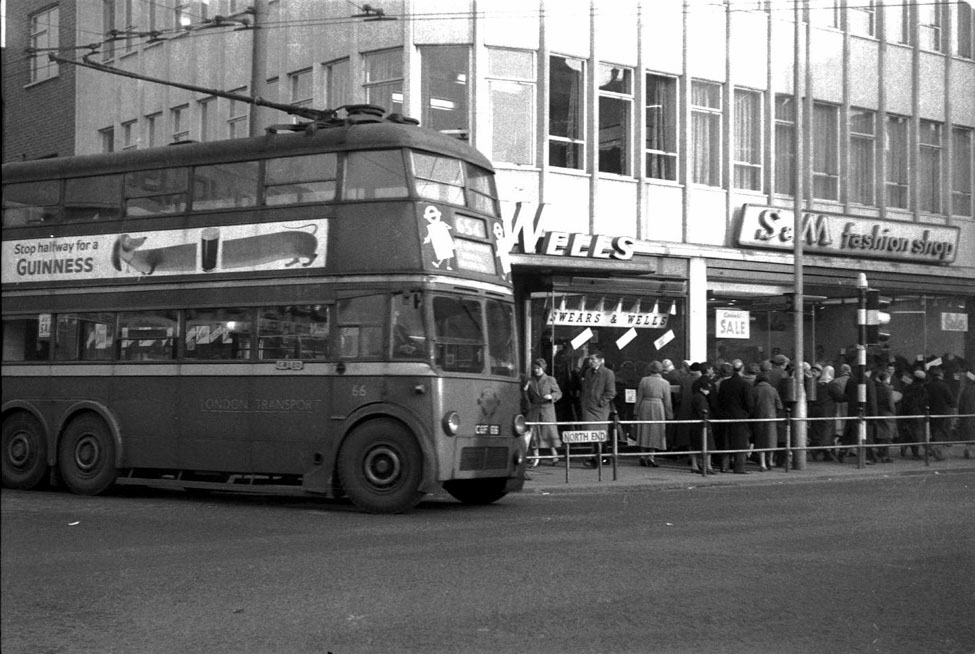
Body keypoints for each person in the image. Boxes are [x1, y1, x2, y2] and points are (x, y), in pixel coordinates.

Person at [715, 359, 755, 474]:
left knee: (726, 442)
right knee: (740, 443)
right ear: (742, 369)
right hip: (740, 417)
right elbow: (749, 403)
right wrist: (748, 414)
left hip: (726, 416)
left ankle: (724, 466)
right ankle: (739, 468)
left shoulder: (724, 384)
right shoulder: (745, 384)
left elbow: (720, 401)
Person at [523, 358, 563, 467]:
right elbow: (526, 397)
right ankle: (536, 457)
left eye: (538, 368)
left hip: (547, 409)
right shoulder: (531, 380)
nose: (536, 370)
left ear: (543, 368)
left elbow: (558, 392)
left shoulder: (550, 379)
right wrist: (525, 390)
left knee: (549, 432)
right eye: (535, 368)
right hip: (535, 409)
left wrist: (551, 396)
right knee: (534, 433)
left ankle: (554, 455)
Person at [634, 360, 673, 467]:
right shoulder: (665, 383)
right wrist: (669, 415)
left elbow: (639, 396)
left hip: (645, 405)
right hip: (658, 406)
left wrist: (636, 411)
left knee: (644, 430)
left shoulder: (644, 380)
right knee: (656, 431)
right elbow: (667, 401)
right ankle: (651, 456)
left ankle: (642, 455)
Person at [581, 351, 616, 467]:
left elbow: (611, 392)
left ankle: (598, 457)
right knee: (592, 433)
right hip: (589, 407)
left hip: (600, 409)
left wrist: (601, 402)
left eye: (593, 360)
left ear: (600, 361)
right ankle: (602, 456)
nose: (590, 362)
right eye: (590, 359)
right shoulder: (588, 372)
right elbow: (585, 388)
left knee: (600, 433)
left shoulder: (608, 373)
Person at [752, 371, 783, 471]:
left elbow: (751, 405)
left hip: (758, 417)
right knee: (771, 440)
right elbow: (779, 406)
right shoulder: (773, 390)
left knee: (760, 440)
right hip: (771, 418)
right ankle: (770, 461)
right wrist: (774, 413)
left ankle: (762, 463)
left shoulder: (754, 390)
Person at [925, 366, 956, 461]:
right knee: (945, 431)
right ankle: (943, 453)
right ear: (940, 374)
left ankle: (935, 451)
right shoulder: (944, 385)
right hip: (943, 412)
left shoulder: (928, 385)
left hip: (932, 412)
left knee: (935, 433)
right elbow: (951, 400)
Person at [689, 375, 718, 473]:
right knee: (708, 445)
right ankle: (708, 466)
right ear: (702, 388)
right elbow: (703, 411)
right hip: (703, 424)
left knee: (695, 446)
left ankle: (695, 465)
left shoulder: (696, 396)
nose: (708, 391)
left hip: (695, 424)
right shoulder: (701, 398)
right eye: (707, 389)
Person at [873, 370, 896, 462]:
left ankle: (881, 452)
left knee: (881, 434)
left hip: (879, 412)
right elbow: (890, 403)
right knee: (887, 435)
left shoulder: (876, 387)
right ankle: (885, 455)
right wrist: (894, 412)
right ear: (887, 379)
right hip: (887, 413)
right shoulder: (888, 389)